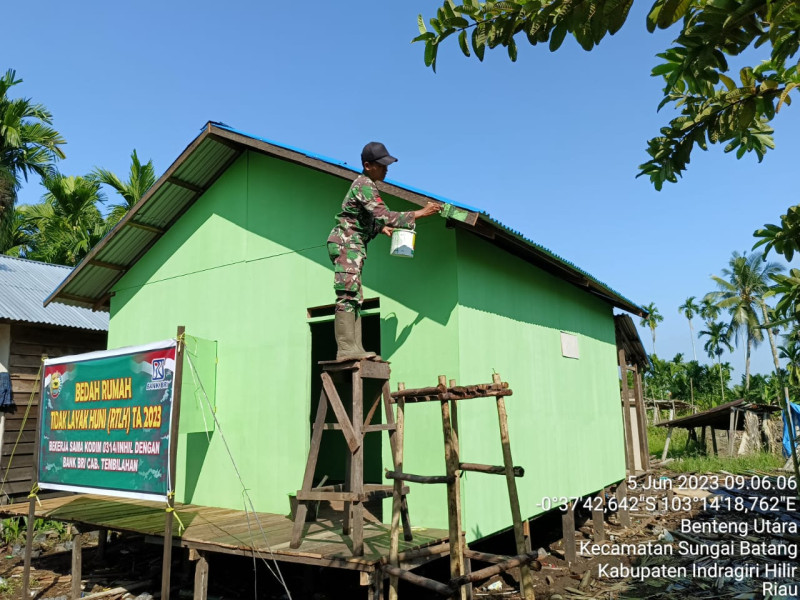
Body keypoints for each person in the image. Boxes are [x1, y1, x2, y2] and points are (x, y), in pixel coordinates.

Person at [327, 142, 440, 360]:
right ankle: (346, 349)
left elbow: (367, 218)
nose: (386, 169)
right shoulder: (364, 185)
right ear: (368, 165)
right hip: (346, 243)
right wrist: (421, 213)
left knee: (355, 296)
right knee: (348, 293)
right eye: (382, 165)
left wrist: (380, 228)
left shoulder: (368, 185)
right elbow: (385, 215)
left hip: (353, 243)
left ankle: (355, 349)